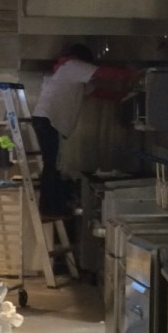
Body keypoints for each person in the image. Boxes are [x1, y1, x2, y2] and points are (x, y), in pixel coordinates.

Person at [32, 44, 138, 218]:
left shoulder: (70, 73)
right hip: (48, 121)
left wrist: (122, 95)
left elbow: (97, 93)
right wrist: (133, 74)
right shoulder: (72, 66)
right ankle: (50, 208)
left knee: (52, 165)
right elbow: (103, 73)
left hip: (47, 120)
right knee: (52, 165)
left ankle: (51, 206)